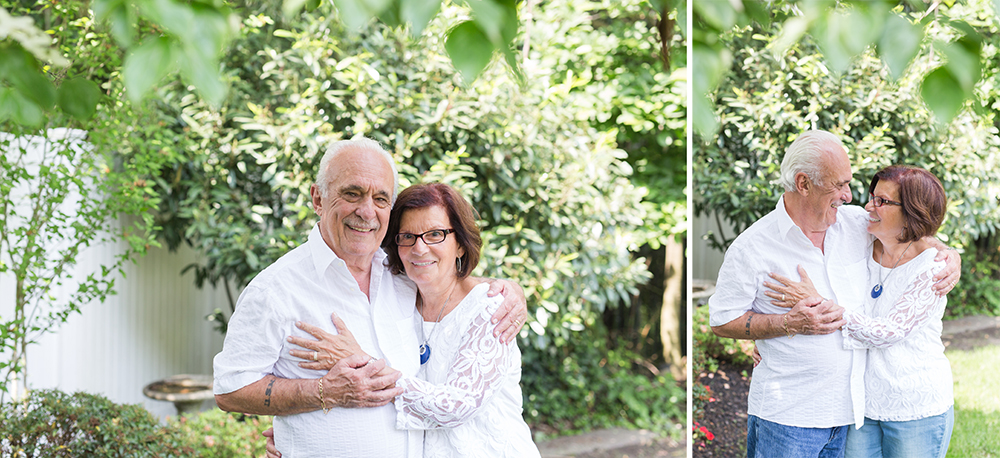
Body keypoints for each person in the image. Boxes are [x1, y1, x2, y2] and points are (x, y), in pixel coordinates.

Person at [213, 138, 527, 458]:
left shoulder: (400, 275)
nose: (366, 211)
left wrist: (508, 289)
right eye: (352, 193)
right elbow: (230, 391)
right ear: (318, 198)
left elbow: (450, 284)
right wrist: (321, 393)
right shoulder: (276, 289)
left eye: (380, 198)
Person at [708, 130, 960, 458]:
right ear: (803, 183)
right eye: (839, 184)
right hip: (790, 419)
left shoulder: (854, 224)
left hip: (851, 416)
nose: (850, 196)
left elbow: (911, 228)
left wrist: (948, 253)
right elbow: (722, 321)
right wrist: (785, 324)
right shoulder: (752, 247)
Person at [265, 182, 540, 457]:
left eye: (435, 234)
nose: (419, 248)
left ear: (460, 245)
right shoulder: (398, 297)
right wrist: (300, 431)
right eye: (407, 236)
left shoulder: (492, 308)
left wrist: (363, 362)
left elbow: (456, 407)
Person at [764, 166, 954, 458]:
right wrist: (769, 338)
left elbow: (888, 332)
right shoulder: (864, 240)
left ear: (913, 211)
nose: (868, 206)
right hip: (862, 405)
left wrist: (819, 303)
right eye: (871, 197)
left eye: (882, 201)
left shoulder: (933, 268)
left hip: (915, 406)